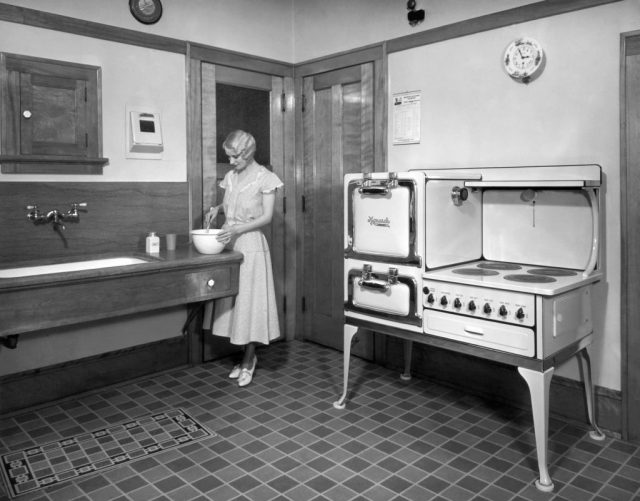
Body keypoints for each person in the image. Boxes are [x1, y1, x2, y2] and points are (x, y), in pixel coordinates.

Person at [203, 130, 283, 387]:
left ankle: (249, 359)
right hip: (230, 244)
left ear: (247, 153)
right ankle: (242, 355)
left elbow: (266, 217)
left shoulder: (266, 179)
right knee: (234, 303)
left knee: (250, 302)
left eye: (235, 156)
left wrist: (237, 228)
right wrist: (217, 209)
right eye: (229, 156)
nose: (231, 161)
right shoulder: (230, 176)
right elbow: (231, 205)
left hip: (251, 244)